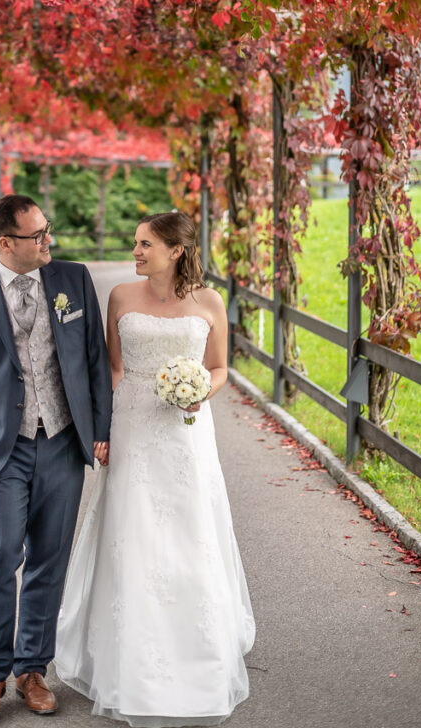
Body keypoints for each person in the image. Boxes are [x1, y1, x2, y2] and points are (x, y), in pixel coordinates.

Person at [55, 211, 255, 727]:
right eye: (135, 242)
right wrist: (103, 430)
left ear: (177, 250)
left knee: (190, 534)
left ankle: (199, 648)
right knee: (135, 534)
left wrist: (195, 395)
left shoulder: (210, 302)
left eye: (145, 244)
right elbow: (114, 369)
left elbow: (218, 369)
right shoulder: (121, 297)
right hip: (134, 427)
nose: (136, 252)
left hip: (187, 433)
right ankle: (132, 657)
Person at [0, 194, 112, 725]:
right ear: (5, 243)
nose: (48, 241)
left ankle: (32, 670)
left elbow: (95, 362)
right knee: (0, 552)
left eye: (48, 230)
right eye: (37, 235)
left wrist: (101, 432)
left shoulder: (73, 280)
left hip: (61, 440)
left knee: (48, 558)